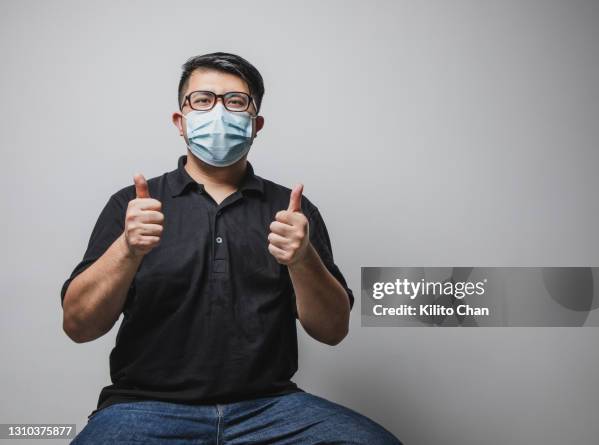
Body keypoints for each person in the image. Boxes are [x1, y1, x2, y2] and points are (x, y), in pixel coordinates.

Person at [61, 52, 403, 444]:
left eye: (236, 101)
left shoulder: (292, 212)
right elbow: (78, 326)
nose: (218, 112)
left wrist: (302, 257)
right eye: (203, 100)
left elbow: (332, 330)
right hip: (144, 407)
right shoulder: (133, 207)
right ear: (180, 120)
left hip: (270, 409)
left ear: (255, 124)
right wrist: (128, 248)